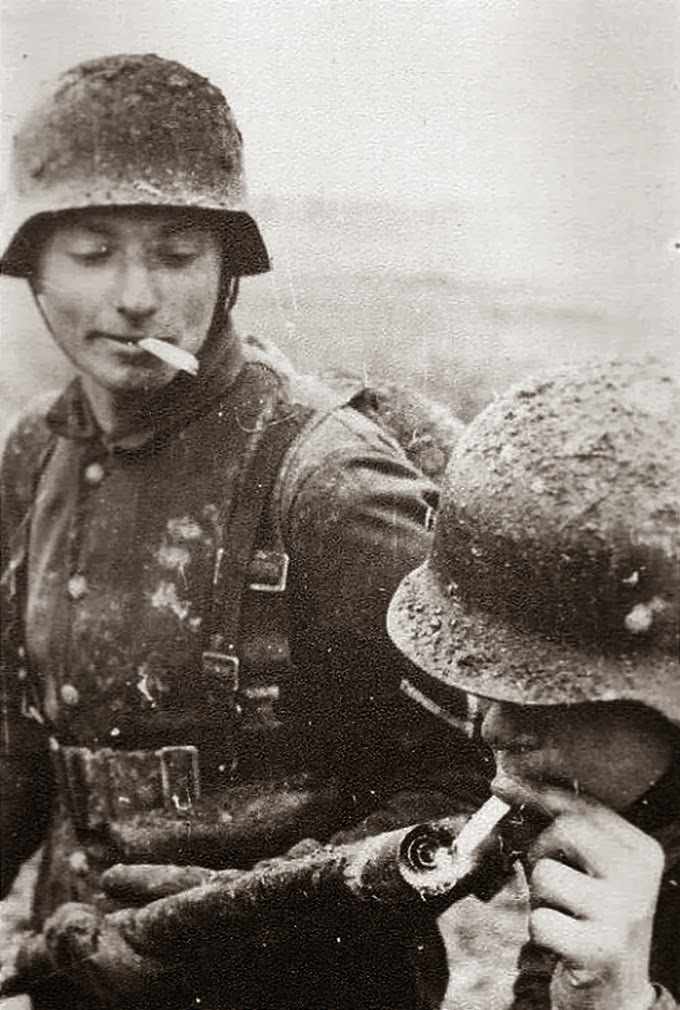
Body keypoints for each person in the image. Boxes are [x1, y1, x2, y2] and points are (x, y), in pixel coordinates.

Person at [0, 54, 486, 1009]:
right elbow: (18, 737)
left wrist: (250, 918)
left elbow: (468, 791)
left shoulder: (325, 482)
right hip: (77, 978)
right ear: (35, 270)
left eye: (177, 253)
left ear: (227, 270)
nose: (135, 295)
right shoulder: (35, 459)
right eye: (93, 253)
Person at [387, 357, 680, 1009]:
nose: (495, 727)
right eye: (486, 683)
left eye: (544, 694)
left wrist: (626, 1003)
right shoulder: (621, 811)